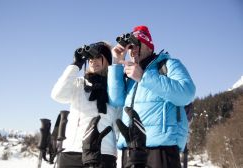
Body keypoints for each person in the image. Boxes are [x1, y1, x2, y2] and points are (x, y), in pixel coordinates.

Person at [108, 25, 196, 168]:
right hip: (131, 147)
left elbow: (186, 93)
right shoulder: (129, 74)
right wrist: (116, 63)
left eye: (137, 44)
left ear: (149, 46)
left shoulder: (168, 65)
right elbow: (115, 101)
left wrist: (144, 77)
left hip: (161, 148)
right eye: (129, 46)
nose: (132, 49)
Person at [51, 41, 120, 168]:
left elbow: (118, 123)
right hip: (72, 151)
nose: (94, 61)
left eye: (99, 57)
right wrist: (75, 65)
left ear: (108, 61)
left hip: (103, 153)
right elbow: (58, 95)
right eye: (90, 58)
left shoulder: (114, 87)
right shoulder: (78, 84)